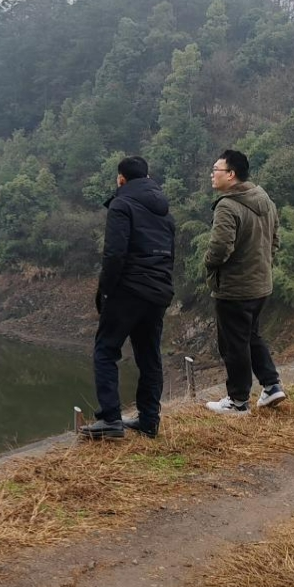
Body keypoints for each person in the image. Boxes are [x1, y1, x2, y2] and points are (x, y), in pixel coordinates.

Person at [79, 156, 176, 440]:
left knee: (105, 349)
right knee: (149, 356)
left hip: (128, 290)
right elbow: (170, 254)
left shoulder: (122, 205)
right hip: (158, 291)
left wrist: (105, 290)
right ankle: (148, 421)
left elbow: (114, 254)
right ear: (148, 177)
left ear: (121, 179)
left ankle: (110, 419)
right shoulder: (164, 212)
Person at [203, 150, 286, 415]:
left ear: (231, 174)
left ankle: (238, 401)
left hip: (235, 288)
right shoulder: (265, 199)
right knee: (251, 336)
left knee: (233, 344)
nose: (212, 175)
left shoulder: (228, 205)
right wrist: (262, 267)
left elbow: (219, 247)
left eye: (216, 169)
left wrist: (209, 263)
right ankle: (272, 385)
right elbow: (275, 240)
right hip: (260, 284)